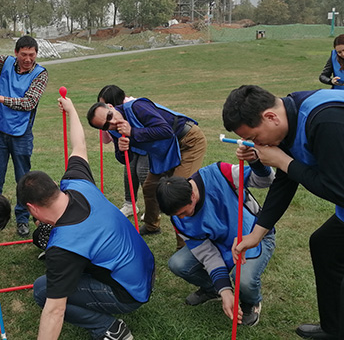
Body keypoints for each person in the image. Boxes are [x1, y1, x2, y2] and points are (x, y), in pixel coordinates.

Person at [17, 96, 155, 340]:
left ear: (32, 208)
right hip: (145, 268)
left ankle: (109, 328)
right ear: (54, 185)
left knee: (42, 290)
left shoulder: (63, 246)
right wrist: (71, 109)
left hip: (130, 293)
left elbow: (55, 311)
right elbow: (79, 145)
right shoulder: (77, 182)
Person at [223, 85, 344, 340]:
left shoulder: (326, 121)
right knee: (324, 245)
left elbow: (338, 191)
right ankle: (334, 329)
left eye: (255, 137)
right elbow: (286, 181)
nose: (257, 146)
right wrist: (256, 234)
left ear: (270, 117)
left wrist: (284, 162)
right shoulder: (290, 116)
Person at [156, 147, 276, 327]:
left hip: (255, 236)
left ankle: (251, 302)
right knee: (178, 264)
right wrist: (224, 290)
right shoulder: (178, 219)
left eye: (184, 212)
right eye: (177, 215)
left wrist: (255, 162)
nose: (182, 218)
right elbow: (208, 254)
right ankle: (213, 289)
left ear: (192, 195)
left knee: (242, 278)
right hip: (218, 243)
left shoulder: (220, 173)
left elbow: (267, 180)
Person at [86, 96, 207, 238]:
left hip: (187, 141)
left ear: (111, 106)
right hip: (164, 152)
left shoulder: (137, 107)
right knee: (150, 187)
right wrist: (122, 150)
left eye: (109, 116)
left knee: (179, 193)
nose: (112, 123)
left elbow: (166, 130)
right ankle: (151, 226)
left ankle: (186, 242)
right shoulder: (114, 130)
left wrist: (133, 132)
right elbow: (125, 159)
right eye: (106, 125)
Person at [0, 18, 48, 238]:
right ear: (16, 53)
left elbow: (29, 103)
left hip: (21, 134)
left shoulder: (40, 74)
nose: (28, 59)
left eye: (32, 55)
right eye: (23, 54)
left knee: (24, 180)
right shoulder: (6, 63)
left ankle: (23, 219)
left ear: (36, 54)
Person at [97, 85, 148, 217]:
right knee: (129, 171)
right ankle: (130, 204)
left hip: (146, 144)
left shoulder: (133, 107)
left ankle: (152, 207)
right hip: (131, 146)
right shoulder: (109, 117)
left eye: (105, 105)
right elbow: (107, 140)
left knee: (142, 171)